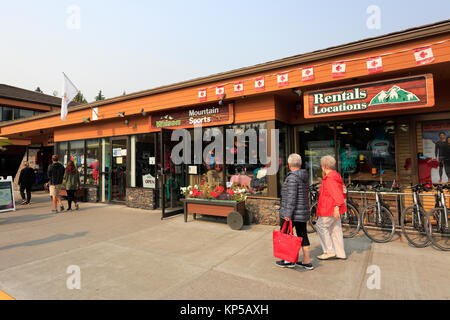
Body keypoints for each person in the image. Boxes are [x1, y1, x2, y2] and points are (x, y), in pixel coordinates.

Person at [276, 154, 313, 269]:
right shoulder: (304, 176)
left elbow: (292, 197)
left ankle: (288, 260)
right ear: (300, 164)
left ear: (289, 164)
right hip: (301, 212)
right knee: (302, 235)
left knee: (286, 235)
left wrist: (287, 214)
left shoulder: (292, 177)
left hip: (292, 212)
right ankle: (307, 261)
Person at [316, 155, 347, 260]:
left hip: (329, 208)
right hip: (335, 208)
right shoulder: (336, 176)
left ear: (324, 166)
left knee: (321, 226)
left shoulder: (329, 179)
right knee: (336, 229)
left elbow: (336, 193)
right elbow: (342, 190)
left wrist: (336, 207)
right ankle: (340, 253)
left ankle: (329, 251)